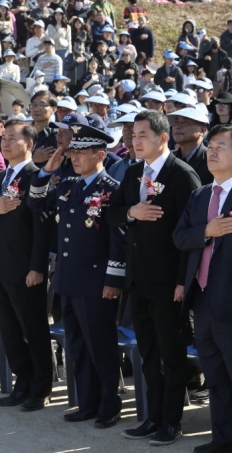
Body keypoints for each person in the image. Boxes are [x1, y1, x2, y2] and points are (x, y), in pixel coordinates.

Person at [173, 124, 232, 453]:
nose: (212, 152)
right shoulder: (201, 195)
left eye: (221, 147)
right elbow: (180, 237)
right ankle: (222, 438)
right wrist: (208, 230)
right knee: (215, 376)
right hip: (202, 301)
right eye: (211, 146)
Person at [108, 110, 201, 446]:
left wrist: (182, 281)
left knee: (171, 356)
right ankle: (153, 417)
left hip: (169, 283)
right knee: (148, 355)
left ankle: (171, 422)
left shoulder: (183, 175)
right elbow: (112, 212)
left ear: (163, 138)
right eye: (133, 135)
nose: (135, 141)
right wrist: (132, 212)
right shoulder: (133, 173)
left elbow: (192, 235)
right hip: (138, 281)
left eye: (143, 135)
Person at [28, 116, 125, 428]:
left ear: (99, 154)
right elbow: (35, 202)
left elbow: (117, 240)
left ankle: (110, 403)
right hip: (69, 278)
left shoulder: (112, 189)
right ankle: (88, 402)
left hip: (97, 282)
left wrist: (112, 280)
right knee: (77, 346)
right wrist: (45, 172)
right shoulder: (68, 184)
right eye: (73, 154)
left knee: (101, 345)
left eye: (80, 154)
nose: (74, 158)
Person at [0, 120, 52, 412]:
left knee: (33, 329)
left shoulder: (36, 177)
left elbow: (42, 227)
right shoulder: (3, 176)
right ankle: (23, 382)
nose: (5, 143)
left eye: (11, 138)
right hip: (3, 266)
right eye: (3, 138)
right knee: (10, 331)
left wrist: (37, 267)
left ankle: (40, 387)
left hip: (25, 269)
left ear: (29, 144)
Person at [168, 107, 211, 185]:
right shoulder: (168, 158)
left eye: (185, 122)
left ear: (203, 130)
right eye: (176, 121)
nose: (178, 126)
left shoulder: (211, 159)